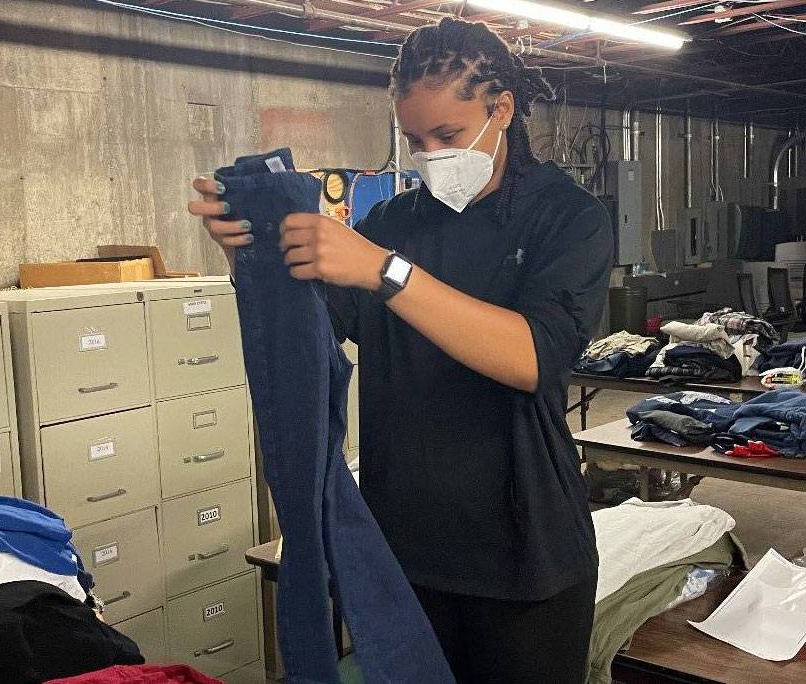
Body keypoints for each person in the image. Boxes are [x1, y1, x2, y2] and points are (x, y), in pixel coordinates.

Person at [190, 17, 612, 683]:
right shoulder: (393, 222)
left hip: (525, 553)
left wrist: (386, 272)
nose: (431, 154)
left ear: (501, 109)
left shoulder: (568, 217)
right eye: (416, 141)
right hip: (404, 551)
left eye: (447, 135)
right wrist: (250, 257)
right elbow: (311, 332)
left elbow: (533, 357)